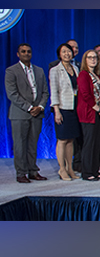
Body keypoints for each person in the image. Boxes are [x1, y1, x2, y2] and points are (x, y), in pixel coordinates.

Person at [5, 43, 49, 183]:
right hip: (20, 114)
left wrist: (40, 106)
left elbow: (45, 92)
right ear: (18, 54)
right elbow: (12, 94)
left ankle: (33, 171)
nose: (26, 54)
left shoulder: (39, 70)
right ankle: (21, 173)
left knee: (33, 144)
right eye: (23, 51)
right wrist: (30, 107)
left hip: (37, 113)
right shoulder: (11, 71)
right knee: (20, 144)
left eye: (28, 51)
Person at [49, 43, 81, 180]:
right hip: (62, 108)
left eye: (69, 51)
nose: (67, 54)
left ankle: (70, 168)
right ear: (59, 54)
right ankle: (61, 169)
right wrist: (56, 110)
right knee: (62, 140)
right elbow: (54, 91)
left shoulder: (75, 68)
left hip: (74, 108)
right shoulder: (55, 70)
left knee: (70, 140)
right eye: (64, 52)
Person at [77, 49, 100, 181]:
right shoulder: (83, 75)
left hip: (99, 111)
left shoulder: (96, 75)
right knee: (89, 143)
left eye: (95, 57)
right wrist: (99, 110)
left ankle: (95, 170)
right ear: (85, 60)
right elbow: (85, 95)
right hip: (89, 113)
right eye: (90, 57)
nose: (93, 60)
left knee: (97, 143)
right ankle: (87, 172)